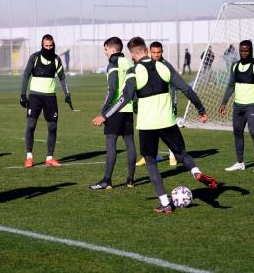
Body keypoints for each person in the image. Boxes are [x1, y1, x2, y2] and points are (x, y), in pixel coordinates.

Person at [93, 37, 218, 214]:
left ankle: (165, 203)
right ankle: (196, 171)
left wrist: (105, 115)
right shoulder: (164, 66)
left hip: (147, 124)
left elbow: (125, 97)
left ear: (133, 53)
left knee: (151, 161)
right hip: (167, 121)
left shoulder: (133, 71)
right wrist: (200, 109)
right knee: (181, 154)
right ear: (146, 50)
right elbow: (186, 89)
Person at [90, 37, 136, 190]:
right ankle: (130, 180)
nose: (105, 52)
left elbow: (112, 89)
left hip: (115, 110)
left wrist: (104, 112)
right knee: (130, 143)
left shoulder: (113, 64)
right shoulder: (129, 62)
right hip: (128, 109)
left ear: (112, 49)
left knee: (111, 144)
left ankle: (107, 180)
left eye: (105, 49)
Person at [20, 34, 71, 167]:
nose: (48, 48)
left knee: (52, 127)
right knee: (31, 126)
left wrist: (67, 94)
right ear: (42, 45)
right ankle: (29, 157)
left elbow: (62, 78)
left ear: (53, 45)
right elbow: (26, 75)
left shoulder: (56, 59)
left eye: (50, 46)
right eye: (46, 46)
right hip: (35, 96)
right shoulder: (34, 57)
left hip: (50, 97)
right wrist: (22, 94)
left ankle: (49, 157)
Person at [219, 40, 254, 173]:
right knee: (237, 132)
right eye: (242, 50)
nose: (244, 53)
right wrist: (224, 102)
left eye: (246, 50)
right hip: (238, 106)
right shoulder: (234, 65)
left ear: (251, 50)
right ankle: (240, 163)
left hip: (251, 106)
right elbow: (231, 85)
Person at [134, 41, 187, 167]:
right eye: (154, 52)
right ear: (149, 52)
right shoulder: (145, 65)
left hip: (165, 106)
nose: (156, 55)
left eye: (158, 52)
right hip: (149, 107)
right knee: (152, 131)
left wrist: (174, 103)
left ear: (162, 52)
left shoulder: (166, 65)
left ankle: (172, 156)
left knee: (168, 131)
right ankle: (151, 156)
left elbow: (175, 86)